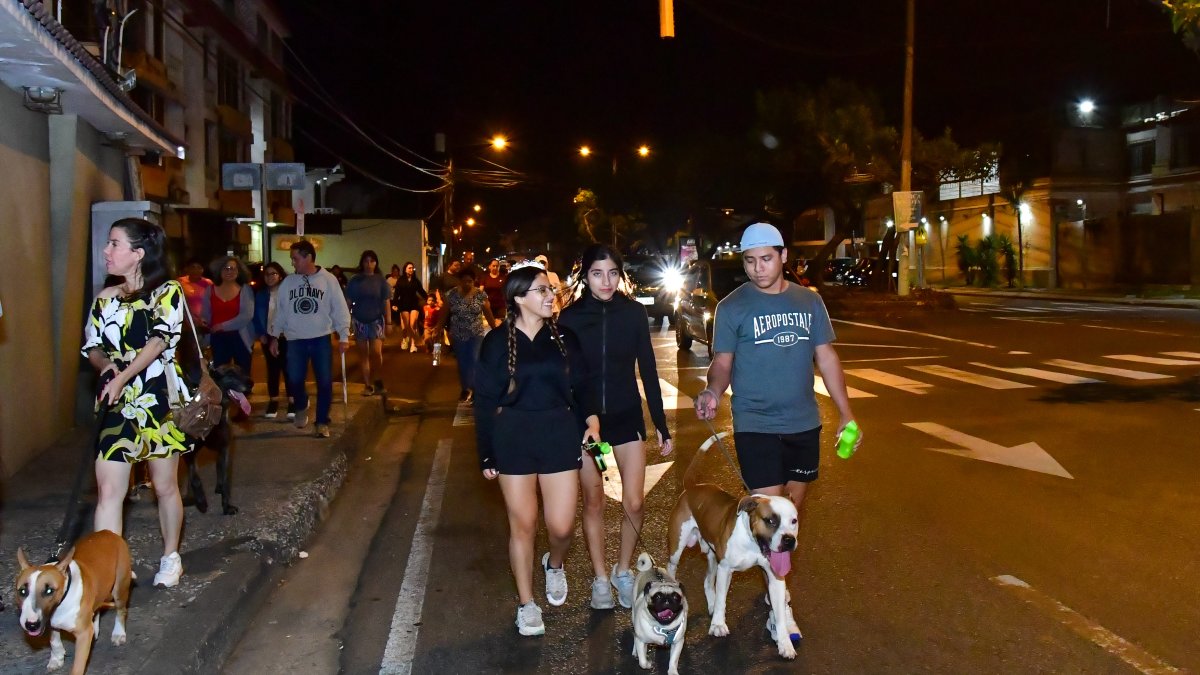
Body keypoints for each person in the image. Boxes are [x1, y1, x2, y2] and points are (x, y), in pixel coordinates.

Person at [694, 222, 862, 636]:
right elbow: (723, 362)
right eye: (750, 261)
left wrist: (846, 413)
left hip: (803, 423)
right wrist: (713, 391)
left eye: (766, 259)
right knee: (769, 520)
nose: (757, 268)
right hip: (755, 424)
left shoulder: (809, 302)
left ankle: (775, 593)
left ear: (784, 256)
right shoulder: (732, 307)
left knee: (789, 517)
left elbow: (826, 358)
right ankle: (780, 611)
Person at [474, 263, 601, 636]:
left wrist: (591, 421)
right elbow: (483, 401)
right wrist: (486, 453)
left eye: (551, 290)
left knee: (562, 527)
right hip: (513, 436)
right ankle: (527, 604)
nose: (550, 296)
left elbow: (584, 387)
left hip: (560, 433)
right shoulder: (497, 342)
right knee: (523, 524)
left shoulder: (565, 338)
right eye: (542, 290)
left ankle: (555, 564)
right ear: (518, 298)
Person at [558, 243, 674, 610]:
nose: (605, 281)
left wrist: (660, 422)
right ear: (585, 276)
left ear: (620, 275)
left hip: (626, 416)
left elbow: (649, 369)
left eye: (612, 273)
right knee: (593, 502)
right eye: (597, 273)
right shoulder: (569, 318)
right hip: (587, 423)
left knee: (635, 501)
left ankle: (623, 570)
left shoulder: (634, 313)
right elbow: (566, 378)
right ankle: (601, 579)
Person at [83, 217, 195, 588]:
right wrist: (106, 365)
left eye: (115, 244)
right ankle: (111, 569)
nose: (106, 251)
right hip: (117, 404)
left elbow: (160, 341)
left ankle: (170, 557)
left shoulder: (167, 292)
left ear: (138, 254)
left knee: (164, 486)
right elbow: (93, 347)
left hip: (158, 399)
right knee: (110, 491)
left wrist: (123, 376)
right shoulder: (104, 299)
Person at [269, 240, 351, 439]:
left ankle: (322, 421)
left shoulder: (328, 280)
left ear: (308, 257)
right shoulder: (288, 282)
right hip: (295, 339)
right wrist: (274, 335)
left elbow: (339, 308)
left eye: (295, 259)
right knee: (295, 379)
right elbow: (281, 311)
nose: (293, 263)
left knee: (324, 382)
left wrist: (343, 334)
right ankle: (301, 403)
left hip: (321, 338)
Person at [434, 266, 496, 402]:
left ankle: (475, 389)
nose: (467, 284)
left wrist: (495, 329)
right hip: (458, 333)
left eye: (470, 281)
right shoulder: (453, 294)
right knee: (462, 362)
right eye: (464, 281)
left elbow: (488, 313)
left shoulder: (480, 295)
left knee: (474, 359)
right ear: (460, 281)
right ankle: (465, 388)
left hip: (476, 333)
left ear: (473, 281)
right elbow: (444, 311)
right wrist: (438, 327)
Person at [345, 249, 392, 395]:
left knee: (376, 352)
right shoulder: (355, 281)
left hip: (376, 320)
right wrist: (345, 321)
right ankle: (367, 384)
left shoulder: (380, 280)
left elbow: (386, 301)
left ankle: (377, 379)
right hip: (359, 319)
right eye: (366, 261)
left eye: (372, 261)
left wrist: (389, 322)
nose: (369, 264)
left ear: (376, 263)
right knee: (363, 353)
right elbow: (348, 301)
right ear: (362, 262)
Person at [254, 261, 293, 419]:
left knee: (289, 369)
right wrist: (261, 334)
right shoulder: (261, 294)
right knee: (272, 369)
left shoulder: (288, 292)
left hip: (287, 336)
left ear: (280, 275)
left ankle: (292, 400)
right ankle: (273, 400)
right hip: (269, 336)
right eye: (267, 274)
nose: (270, 277)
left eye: (273, 274)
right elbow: (256, 315)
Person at [205, 256, 255, 374]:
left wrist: (222, 325)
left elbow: (247, 315)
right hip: (218, 338)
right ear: (219, 271)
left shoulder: (245, 289)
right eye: (226, 268)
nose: (229, 271)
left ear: (239, 271)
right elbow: (205, 314)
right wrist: (203, 324)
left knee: (242, 375)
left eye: (233, 269)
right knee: (220, 374)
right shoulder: (210, 289)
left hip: (241, 337)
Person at [392, 261, 427, 353]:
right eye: (409, 268)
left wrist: (429, 299)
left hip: (414, 304)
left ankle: (413, 344)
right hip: (403, 304)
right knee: (406, 326)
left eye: (412, 268)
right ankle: (404, 338)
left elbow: (421, 291)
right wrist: (395, 304)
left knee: (413, 324)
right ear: (405, 269)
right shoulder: (401, 280)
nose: (411, 269)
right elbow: (397, 293)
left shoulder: (415, 280)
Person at [176, 259, 212, 334]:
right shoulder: (180, 282)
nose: (196, 270)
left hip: (205, 324)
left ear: (202, 269)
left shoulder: (208, 283)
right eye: (193, 267)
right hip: (188, 325)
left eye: (199, 267)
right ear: (188, 269)